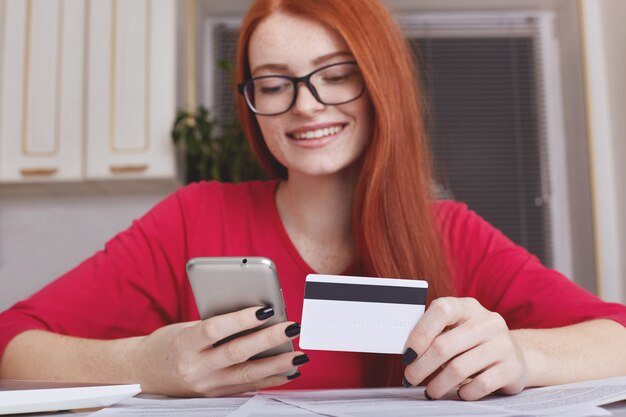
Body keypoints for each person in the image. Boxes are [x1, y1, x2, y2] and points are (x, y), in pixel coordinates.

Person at [1, 0, 626, 401]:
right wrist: (144, 361)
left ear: (379, 81)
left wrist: (522, 352)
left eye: (335, 75)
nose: (304, 105)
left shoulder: (450, 231)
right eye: (273, 85)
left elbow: (617, 335)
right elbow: (12, 343)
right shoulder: (192, 218)